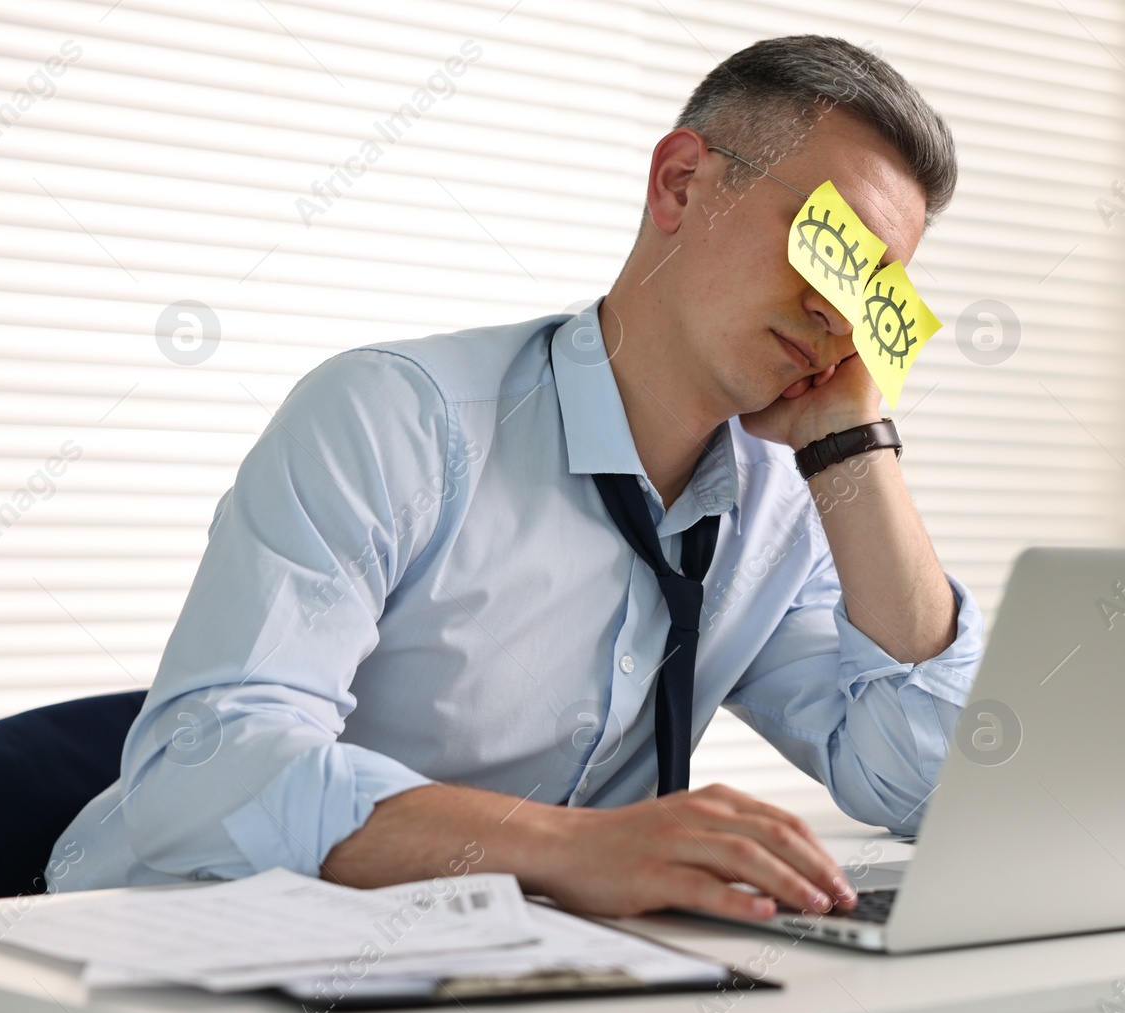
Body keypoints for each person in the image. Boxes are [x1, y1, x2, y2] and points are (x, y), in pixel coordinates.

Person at [51, 34, 984, 923]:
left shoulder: (782, 513)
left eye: (876, 290)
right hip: (167, 958)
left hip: (500, 984)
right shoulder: (393, 420)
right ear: (681, 182)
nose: (837, 309)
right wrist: (573, 848)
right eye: (829, 243)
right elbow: (201, 772)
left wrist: (854, 444)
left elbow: (934, 785)